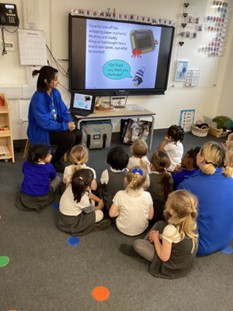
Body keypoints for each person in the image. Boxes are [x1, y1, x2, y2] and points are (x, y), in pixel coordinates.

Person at [178, 141, 233, 256]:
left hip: (199, 245)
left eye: (199, 152)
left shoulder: (188, 185)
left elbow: (175, 213)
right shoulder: (230, 181)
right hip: (226, 239)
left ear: (202, 159)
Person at [27, 66, 82, 173]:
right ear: (46, 81)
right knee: (69, 137)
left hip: (53, 126)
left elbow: (63, 111)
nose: (58, 81)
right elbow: (44, 123)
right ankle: (55, 161)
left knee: (78, 134)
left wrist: (69, 122)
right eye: (55, 79)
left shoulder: (55, 93)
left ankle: (71, 158)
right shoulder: (38, 98)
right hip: (41, 131)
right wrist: (64, 126)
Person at [133, 190, 198, 279]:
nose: (166, 203)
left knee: (138, 244)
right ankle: (150, 243)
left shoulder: (170, 229)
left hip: (172, 267)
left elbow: (164, 257)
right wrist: (161, 237)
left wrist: (156, 239)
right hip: (185, 264)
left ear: (171, 210)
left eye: (168, 202)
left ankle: (148, 245)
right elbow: (177, 239)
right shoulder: (191, 221)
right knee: (160, 224)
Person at [56, 169, 111, 236]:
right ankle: (91, 227)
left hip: (62, 218)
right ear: (88, 184)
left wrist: (99, 200)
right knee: (100, 214)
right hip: (72, 222)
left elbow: (88, 194)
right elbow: (89, 210)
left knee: (91, 203)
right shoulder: (82, 198)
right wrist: (100, 206)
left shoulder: (72, 186)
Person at [15, 144, 61, 212]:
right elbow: (53, 176)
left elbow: (24, 171)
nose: (51, 156)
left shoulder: (26, 164)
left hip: (25, 196)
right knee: (58, 179)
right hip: (42, 197)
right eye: (48, 155)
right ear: (39, 159)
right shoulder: (48, 166)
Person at [109, 167, 154, 236]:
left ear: (126, 180)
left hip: (122, 227)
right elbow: (150, 216)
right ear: (145, 182)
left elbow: (111, 214)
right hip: (141, 229)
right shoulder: (148, 195)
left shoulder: (120, 194)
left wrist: (123, 211)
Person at [99, 146, 129, 211]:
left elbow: (102, 183)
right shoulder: (128, 172)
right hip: (124, 202)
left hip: (110, 203)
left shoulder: (106, 173)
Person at [147, 150, 173, 223]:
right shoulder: (169, 176)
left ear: (151, 165)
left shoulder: (148, 177)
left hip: (150, 210)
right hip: (164, 212)